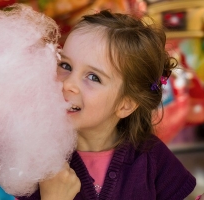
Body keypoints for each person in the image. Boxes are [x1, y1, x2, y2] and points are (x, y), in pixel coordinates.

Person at [17, 10, 196, 200]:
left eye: (93, 77)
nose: (68, 84)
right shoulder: (38, 161)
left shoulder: (151, 157)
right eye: (66, 66)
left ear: (125, 105)